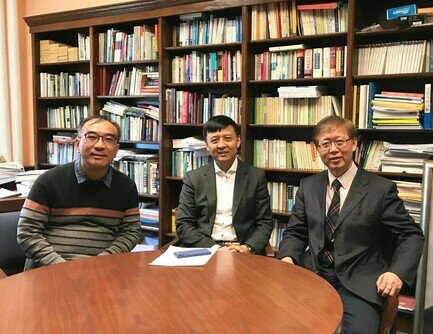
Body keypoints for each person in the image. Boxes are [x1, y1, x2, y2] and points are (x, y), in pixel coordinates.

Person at [276, 115, 424, 333]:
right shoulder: (308, 186)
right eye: (325, 143)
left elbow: (411, 234)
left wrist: (397, 273)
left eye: (340, 141)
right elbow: (296, 231)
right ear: (317, 149)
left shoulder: (380, 189)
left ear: (354, 143)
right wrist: (287, 257)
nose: (333, 149)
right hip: (312, 275)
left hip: (359, 282)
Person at [17, 115, 141, 270]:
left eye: (108, 139)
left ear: (116, 149)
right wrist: (61, 267)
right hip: (49, 269)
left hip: (103, 269)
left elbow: (131, 232)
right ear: (77, 144)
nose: (100, 145)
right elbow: (27, 232)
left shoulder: (126, 186)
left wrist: (102, 262)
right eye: (91, 137)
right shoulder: (49, 181)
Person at [176, 115, 273, 254]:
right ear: (207, 145)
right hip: (204, 249)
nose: (221, 145)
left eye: (228, 138)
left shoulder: (256, 176)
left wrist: (247, 247)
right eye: (215, 140)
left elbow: (265, 222)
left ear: (238, 141)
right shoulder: (193, 178)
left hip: (241, 249)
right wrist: (215, 249)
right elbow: (183, 224)